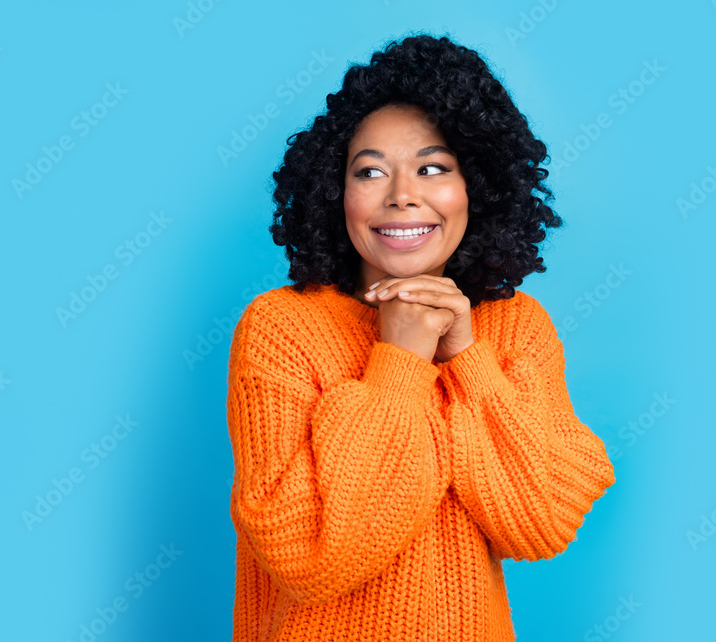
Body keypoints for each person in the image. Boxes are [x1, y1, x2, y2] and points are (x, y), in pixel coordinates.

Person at [225, 33, 615, 641]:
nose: (402, 195)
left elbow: (539, 522)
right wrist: (400, 361)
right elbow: (309, 555)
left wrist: (466, 357)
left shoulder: (516, 326)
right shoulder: (281, 328)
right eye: (371, 171)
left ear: (476, 189)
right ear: (337, 195)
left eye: (432, 168)